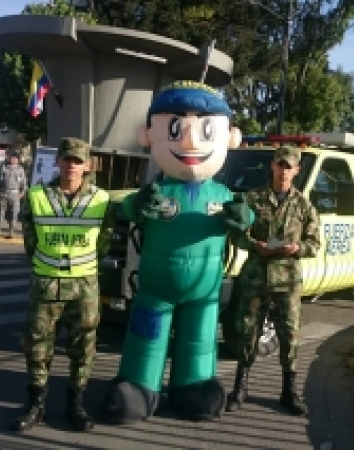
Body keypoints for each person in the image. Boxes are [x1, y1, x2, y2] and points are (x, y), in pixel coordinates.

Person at [100, 80, 253, 425]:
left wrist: (244, 217)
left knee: (199, 341)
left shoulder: (224, 193)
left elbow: (248, 219)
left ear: (230, 137)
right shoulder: (156, 190)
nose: (191, 141)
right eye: (175, 127)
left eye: (206, 128)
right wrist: (140, 204)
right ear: (148, 135)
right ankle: (138, 387)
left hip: (205, 292)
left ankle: (193, 387)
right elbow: (127, 208)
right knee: (146, 337)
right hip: (155, 288)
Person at [13, 137, 114, 433]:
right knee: (37, 347)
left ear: (88, 166)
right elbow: (30, 242)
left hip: (84, 288)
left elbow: (104, 244)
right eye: (67, 159)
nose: (72, 165)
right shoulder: (36, 196)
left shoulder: (102, 200)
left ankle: (76, 405)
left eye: (78, 160)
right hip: (46, 285)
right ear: (57, 161)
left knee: (83, 348)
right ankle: (37, 405)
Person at [225, 146, 321, 416]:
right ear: (272, 166)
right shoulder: (253, 199)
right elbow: (236, 234)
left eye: (288, 167)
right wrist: (255, 245)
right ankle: (240, 388)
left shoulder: (304, 205)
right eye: (279, 165)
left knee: (289, 336)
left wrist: (297, 249)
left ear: (297, 171)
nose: (283, 171)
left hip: (288, 281)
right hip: (257, 276)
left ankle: (289, 391)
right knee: (247, 332)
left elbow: (314, 244)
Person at [0, 151, 27, 238]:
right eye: (12, 158)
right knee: (0, 213)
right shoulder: (3, 167)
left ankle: (11, 232)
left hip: (15, 194)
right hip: (3, 193)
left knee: (14, 213)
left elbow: (24, 183)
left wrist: (23, 192)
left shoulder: (20, 169)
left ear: (18, 160)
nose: (13, 160)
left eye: (15, 158)